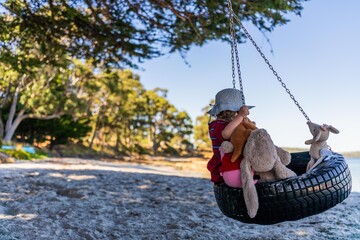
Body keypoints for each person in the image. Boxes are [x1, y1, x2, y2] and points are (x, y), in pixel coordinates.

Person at [207, 88, 257, 187]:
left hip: (224, 166)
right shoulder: (220, 125)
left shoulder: (215, 124)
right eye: (238, 113)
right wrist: (241, 117)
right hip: (225, 167)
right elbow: (226, 134)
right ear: (234, 112)